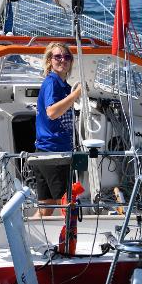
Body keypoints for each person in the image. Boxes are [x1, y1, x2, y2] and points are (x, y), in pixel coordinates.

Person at [32, 42, 82, 218]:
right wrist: (75, 96)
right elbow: (52, 112)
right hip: (54, 153)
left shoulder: (63, 86)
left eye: (67, 57)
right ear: (49, 61)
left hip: (44, 152)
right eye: (58, 57)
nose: (63, 60)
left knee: (46, 207)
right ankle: (67, 241)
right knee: (66, 204)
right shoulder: (52, 82)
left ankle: (29, 235)